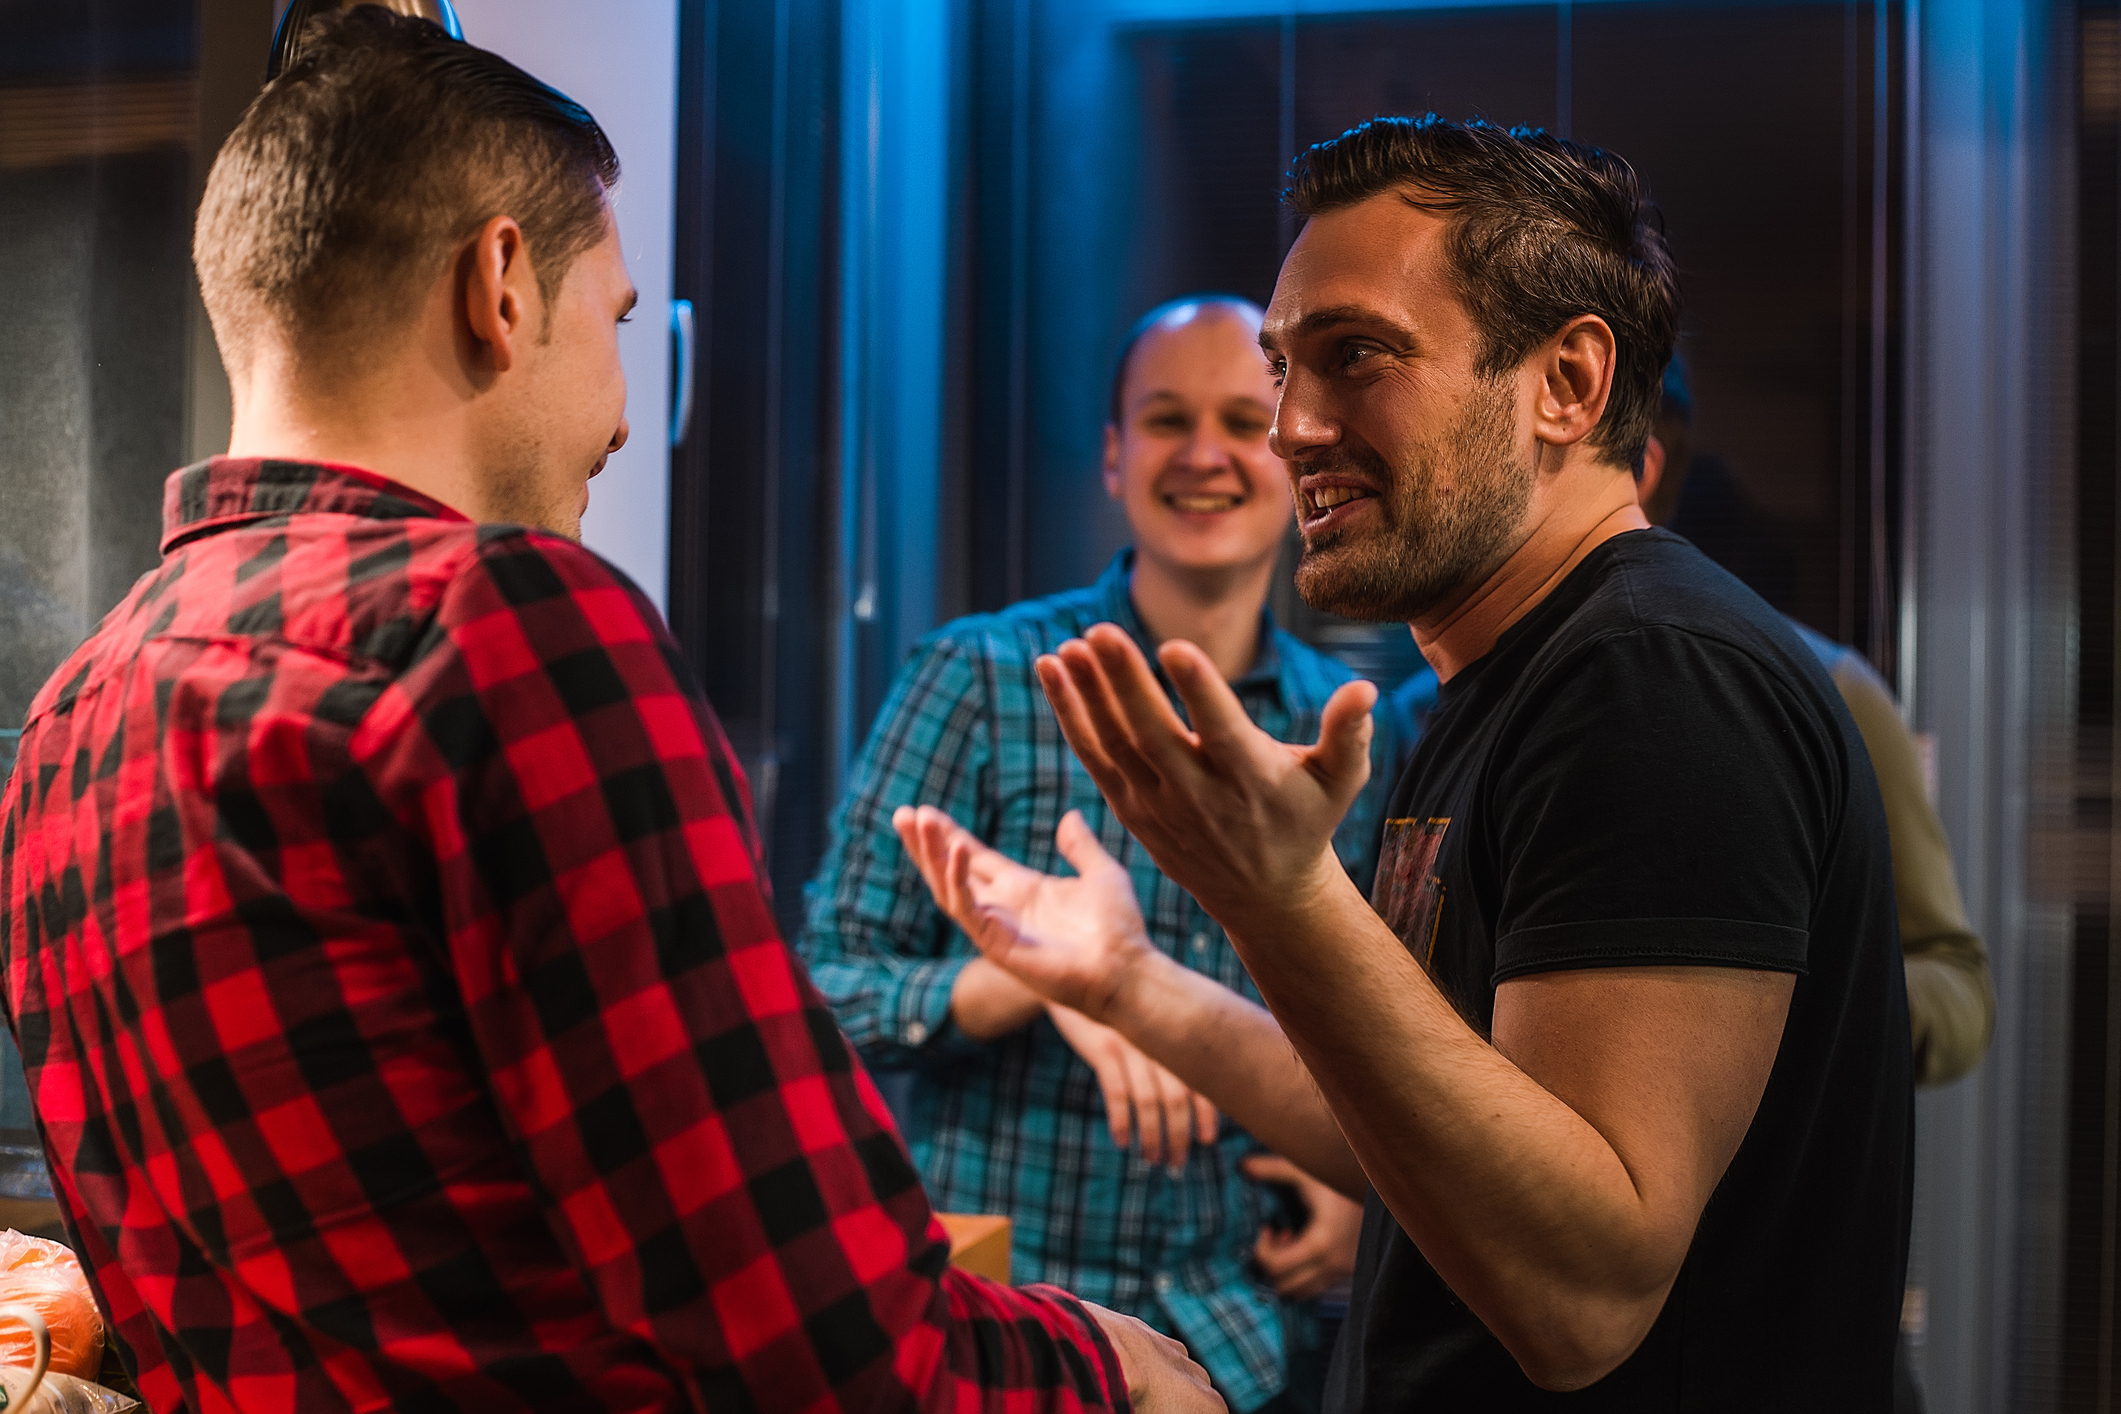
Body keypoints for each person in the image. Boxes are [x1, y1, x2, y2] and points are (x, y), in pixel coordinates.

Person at [0, 12, 1218, 1412]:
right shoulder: (504, 623)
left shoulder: (77, 708)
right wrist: (1104, 1365)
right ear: (501, 283)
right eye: (620, 319)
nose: (629, 414)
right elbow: (815, 1329)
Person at [895, 115, 1914, 1409]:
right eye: (1285, 367)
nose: (1288, 429)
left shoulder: (1653, 674)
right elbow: (1418, 1135)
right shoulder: (1501, 684)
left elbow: (1581, 1298)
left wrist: (1280, 895)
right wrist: (1128, 980)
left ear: (1569, 384)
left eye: (1355, 356)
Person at [797, 296, 1378, 1414]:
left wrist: (1356, 1185)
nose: (1204, 454)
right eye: (1166, 421)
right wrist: (1030, 977)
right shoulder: (978, 674)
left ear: (1295, 449)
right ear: (1114, 457)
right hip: (1011, 1336)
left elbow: (1372, 1021)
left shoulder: (1344, 725)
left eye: (1237, 420)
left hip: (1246, 1341)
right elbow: (823, 991)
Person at [1640, 359, 1996, 1087]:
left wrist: (1777, 1002)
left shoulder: (1823, 691)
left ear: (1639, 466)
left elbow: (1957, 988)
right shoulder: (1437, 706)